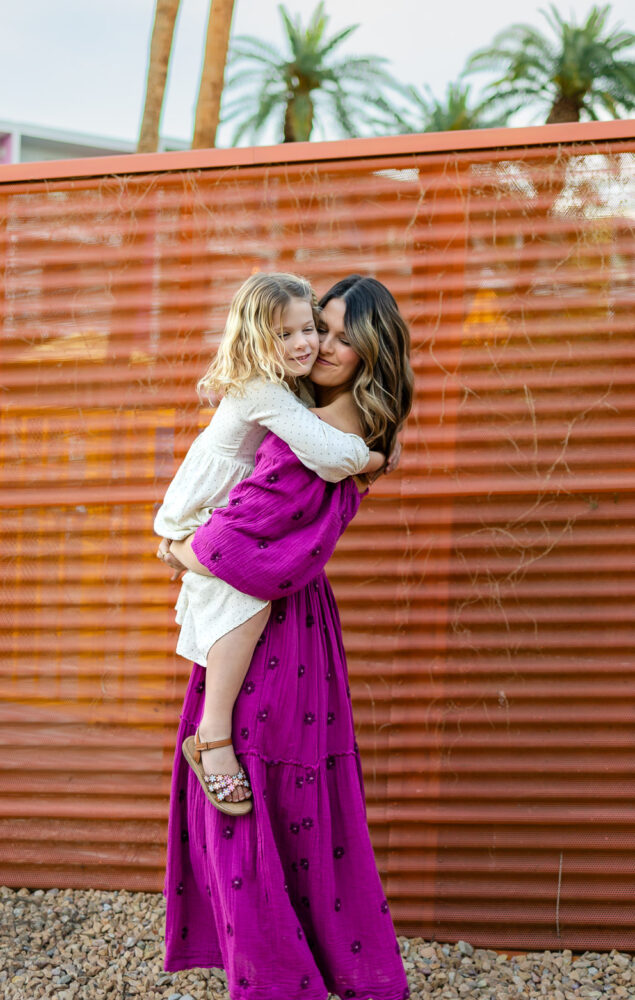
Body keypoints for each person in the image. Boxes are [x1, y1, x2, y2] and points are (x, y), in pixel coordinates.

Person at [158, 275, 415, 1000]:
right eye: (314, 330)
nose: (321, 346)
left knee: (257, 794)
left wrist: (178, 550)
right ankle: (308, 967)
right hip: (285, 621)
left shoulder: (320, 432)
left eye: (338, 334)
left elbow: (239, 550)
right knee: (295, 799)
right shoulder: (336, 420)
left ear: (372, 348)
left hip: (270, 624)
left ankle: (275, 979)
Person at [153, 272, 386, 812]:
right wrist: (374, 459)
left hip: (211, 514)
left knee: (244, 597)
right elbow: (329, 455)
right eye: (287, 335)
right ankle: (212, 739)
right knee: (249, 600)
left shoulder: (286, 389)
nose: (308, 344)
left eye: (309, 328)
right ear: (256, 341)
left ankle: (212, 732)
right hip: (199, 514)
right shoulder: (264, 392)